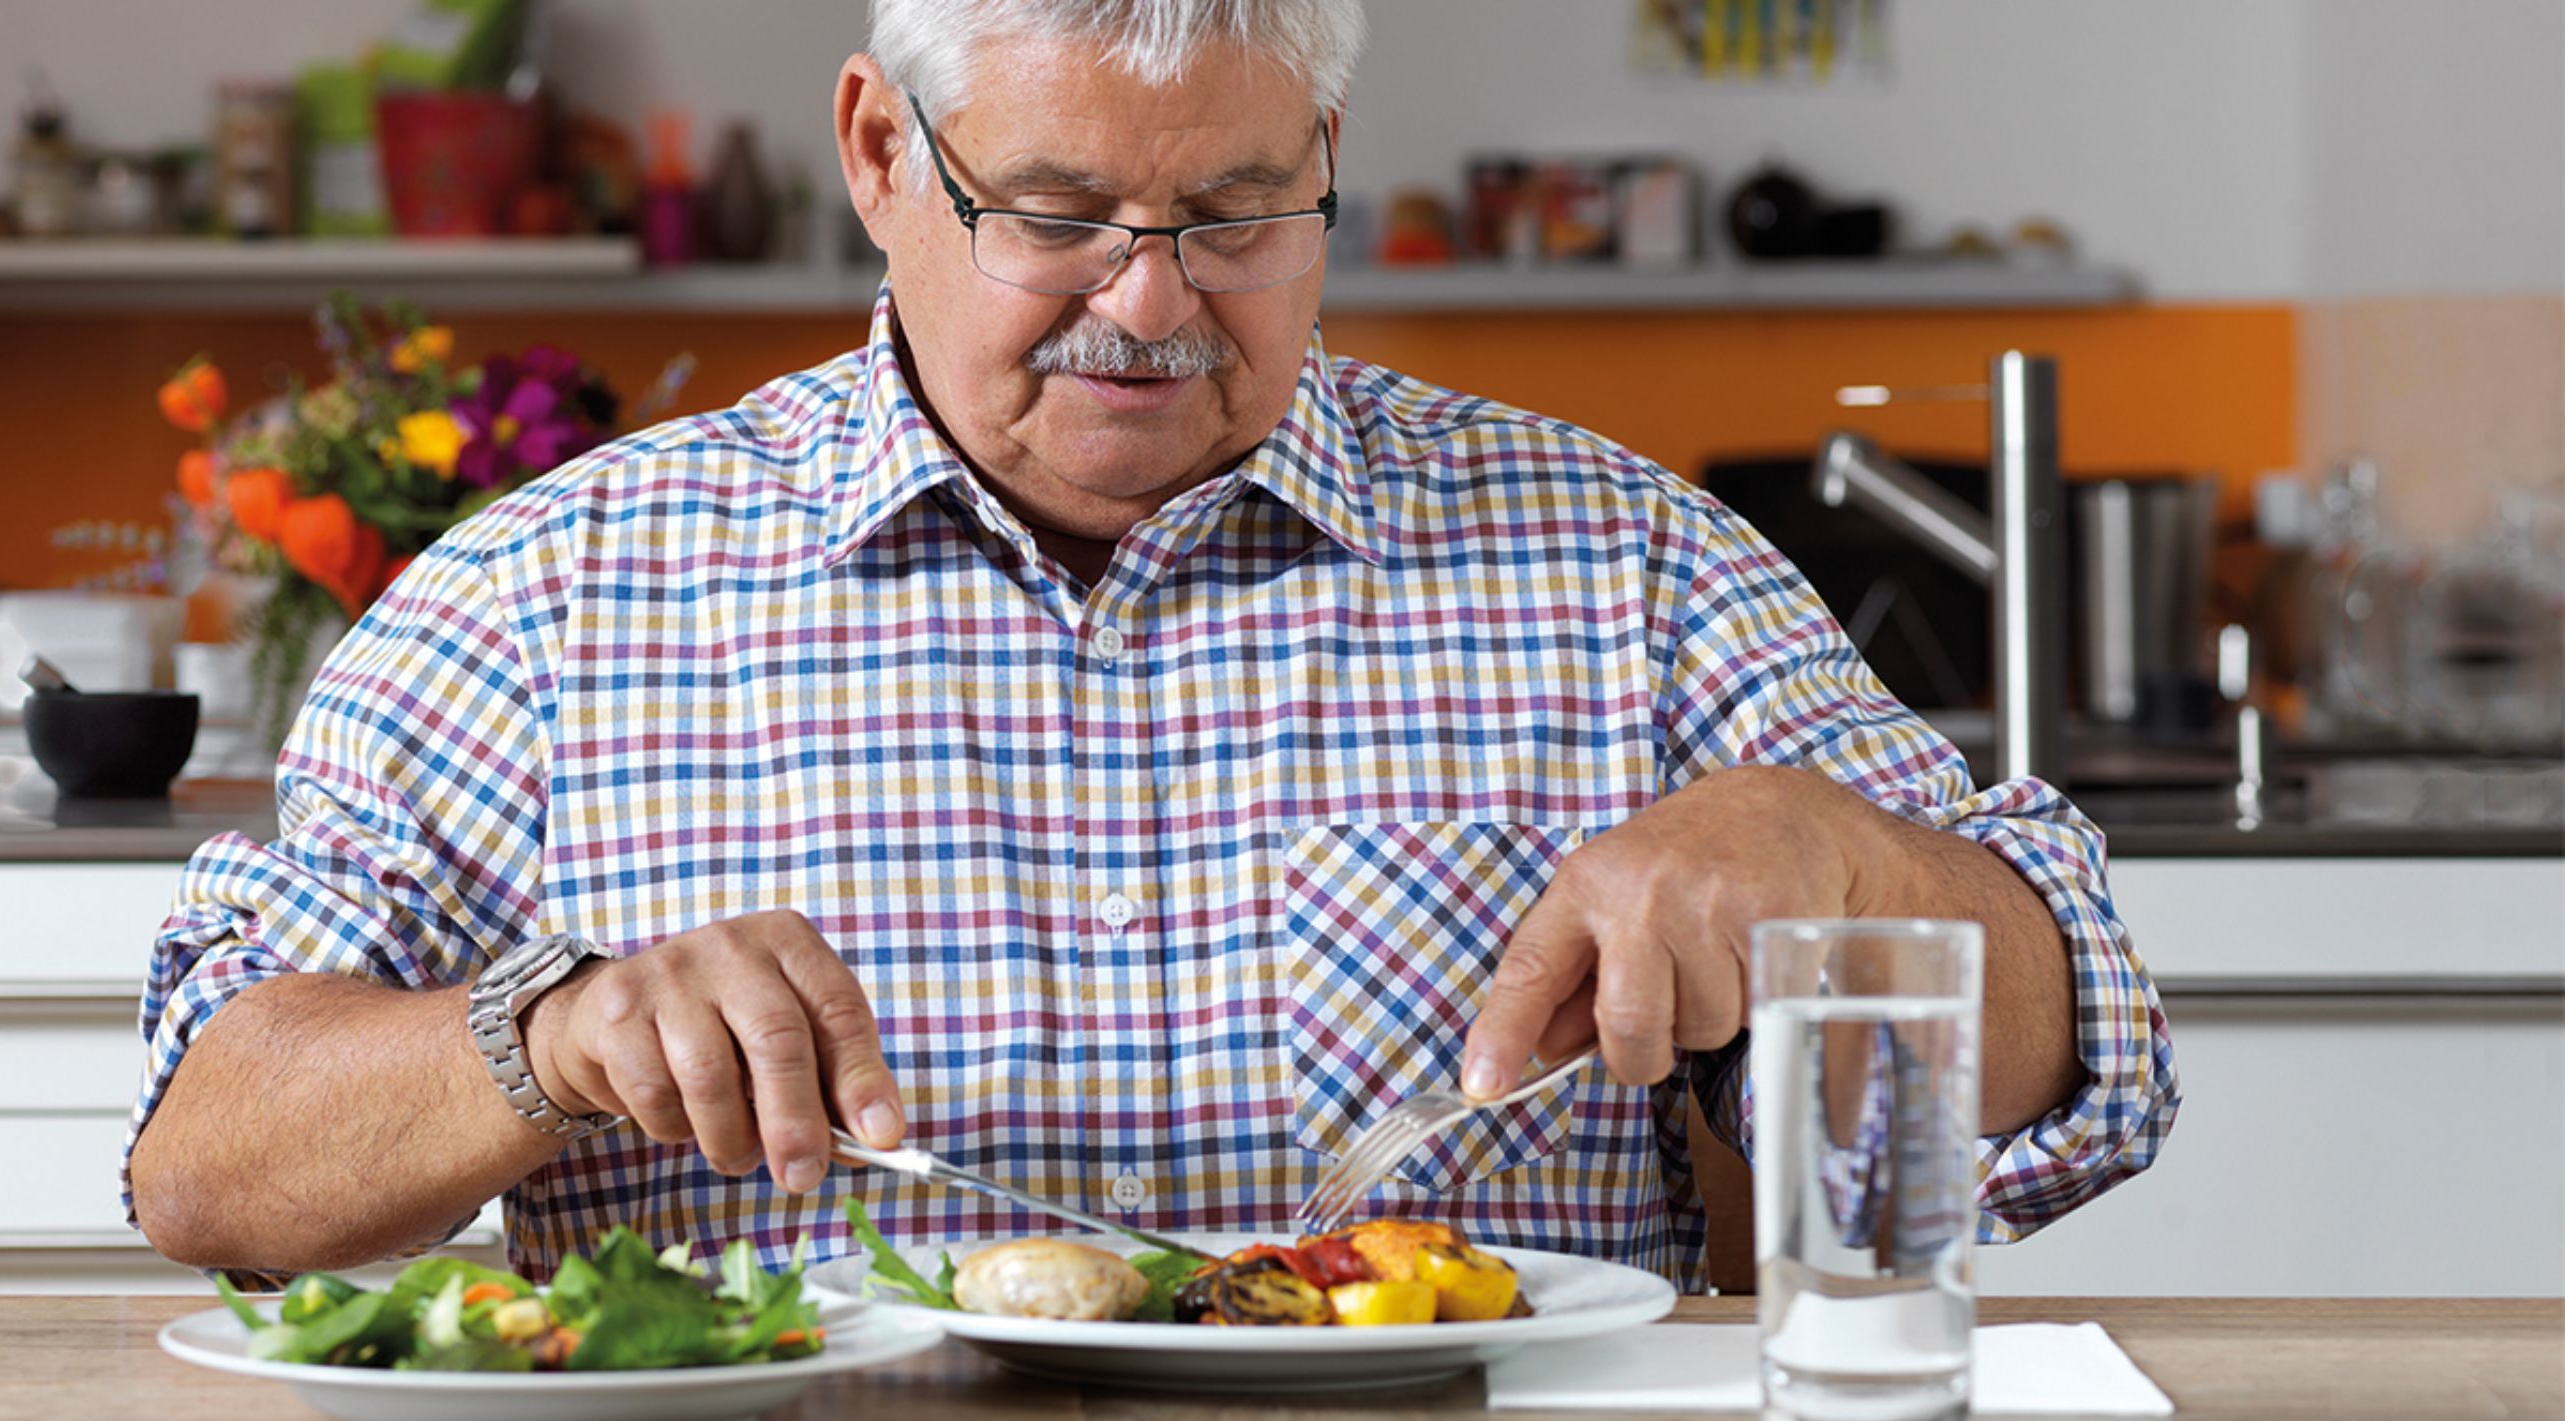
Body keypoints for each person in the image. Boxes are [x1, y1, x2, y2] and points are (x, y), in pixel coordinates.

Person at [125, 0, 2177, 1290]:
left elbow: (2078, 1062)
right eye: (1055, 209)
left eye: (1237, 213)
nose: (1150, 302)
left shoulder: (1623, 561)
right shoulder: (538, 598)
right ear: (875, 154)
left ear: (1331, 172)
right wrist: (542, 1038)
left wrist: (1838, 862)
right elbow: (210, 1163)